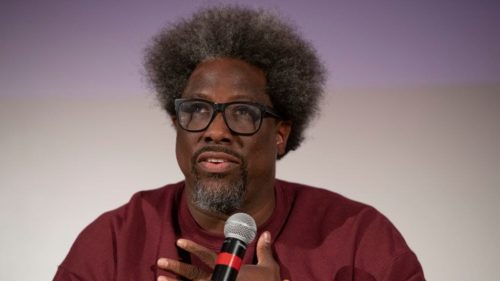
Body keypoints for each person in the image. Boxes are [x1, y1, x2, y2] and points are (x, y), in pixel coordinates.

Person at [53, 5, 425, 281]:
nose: (216, 130)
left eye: (243, 112)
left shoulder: (360, 240)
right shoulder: (114, 242)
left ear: (280, 134)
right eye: (197, 109)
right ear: (176, 124)